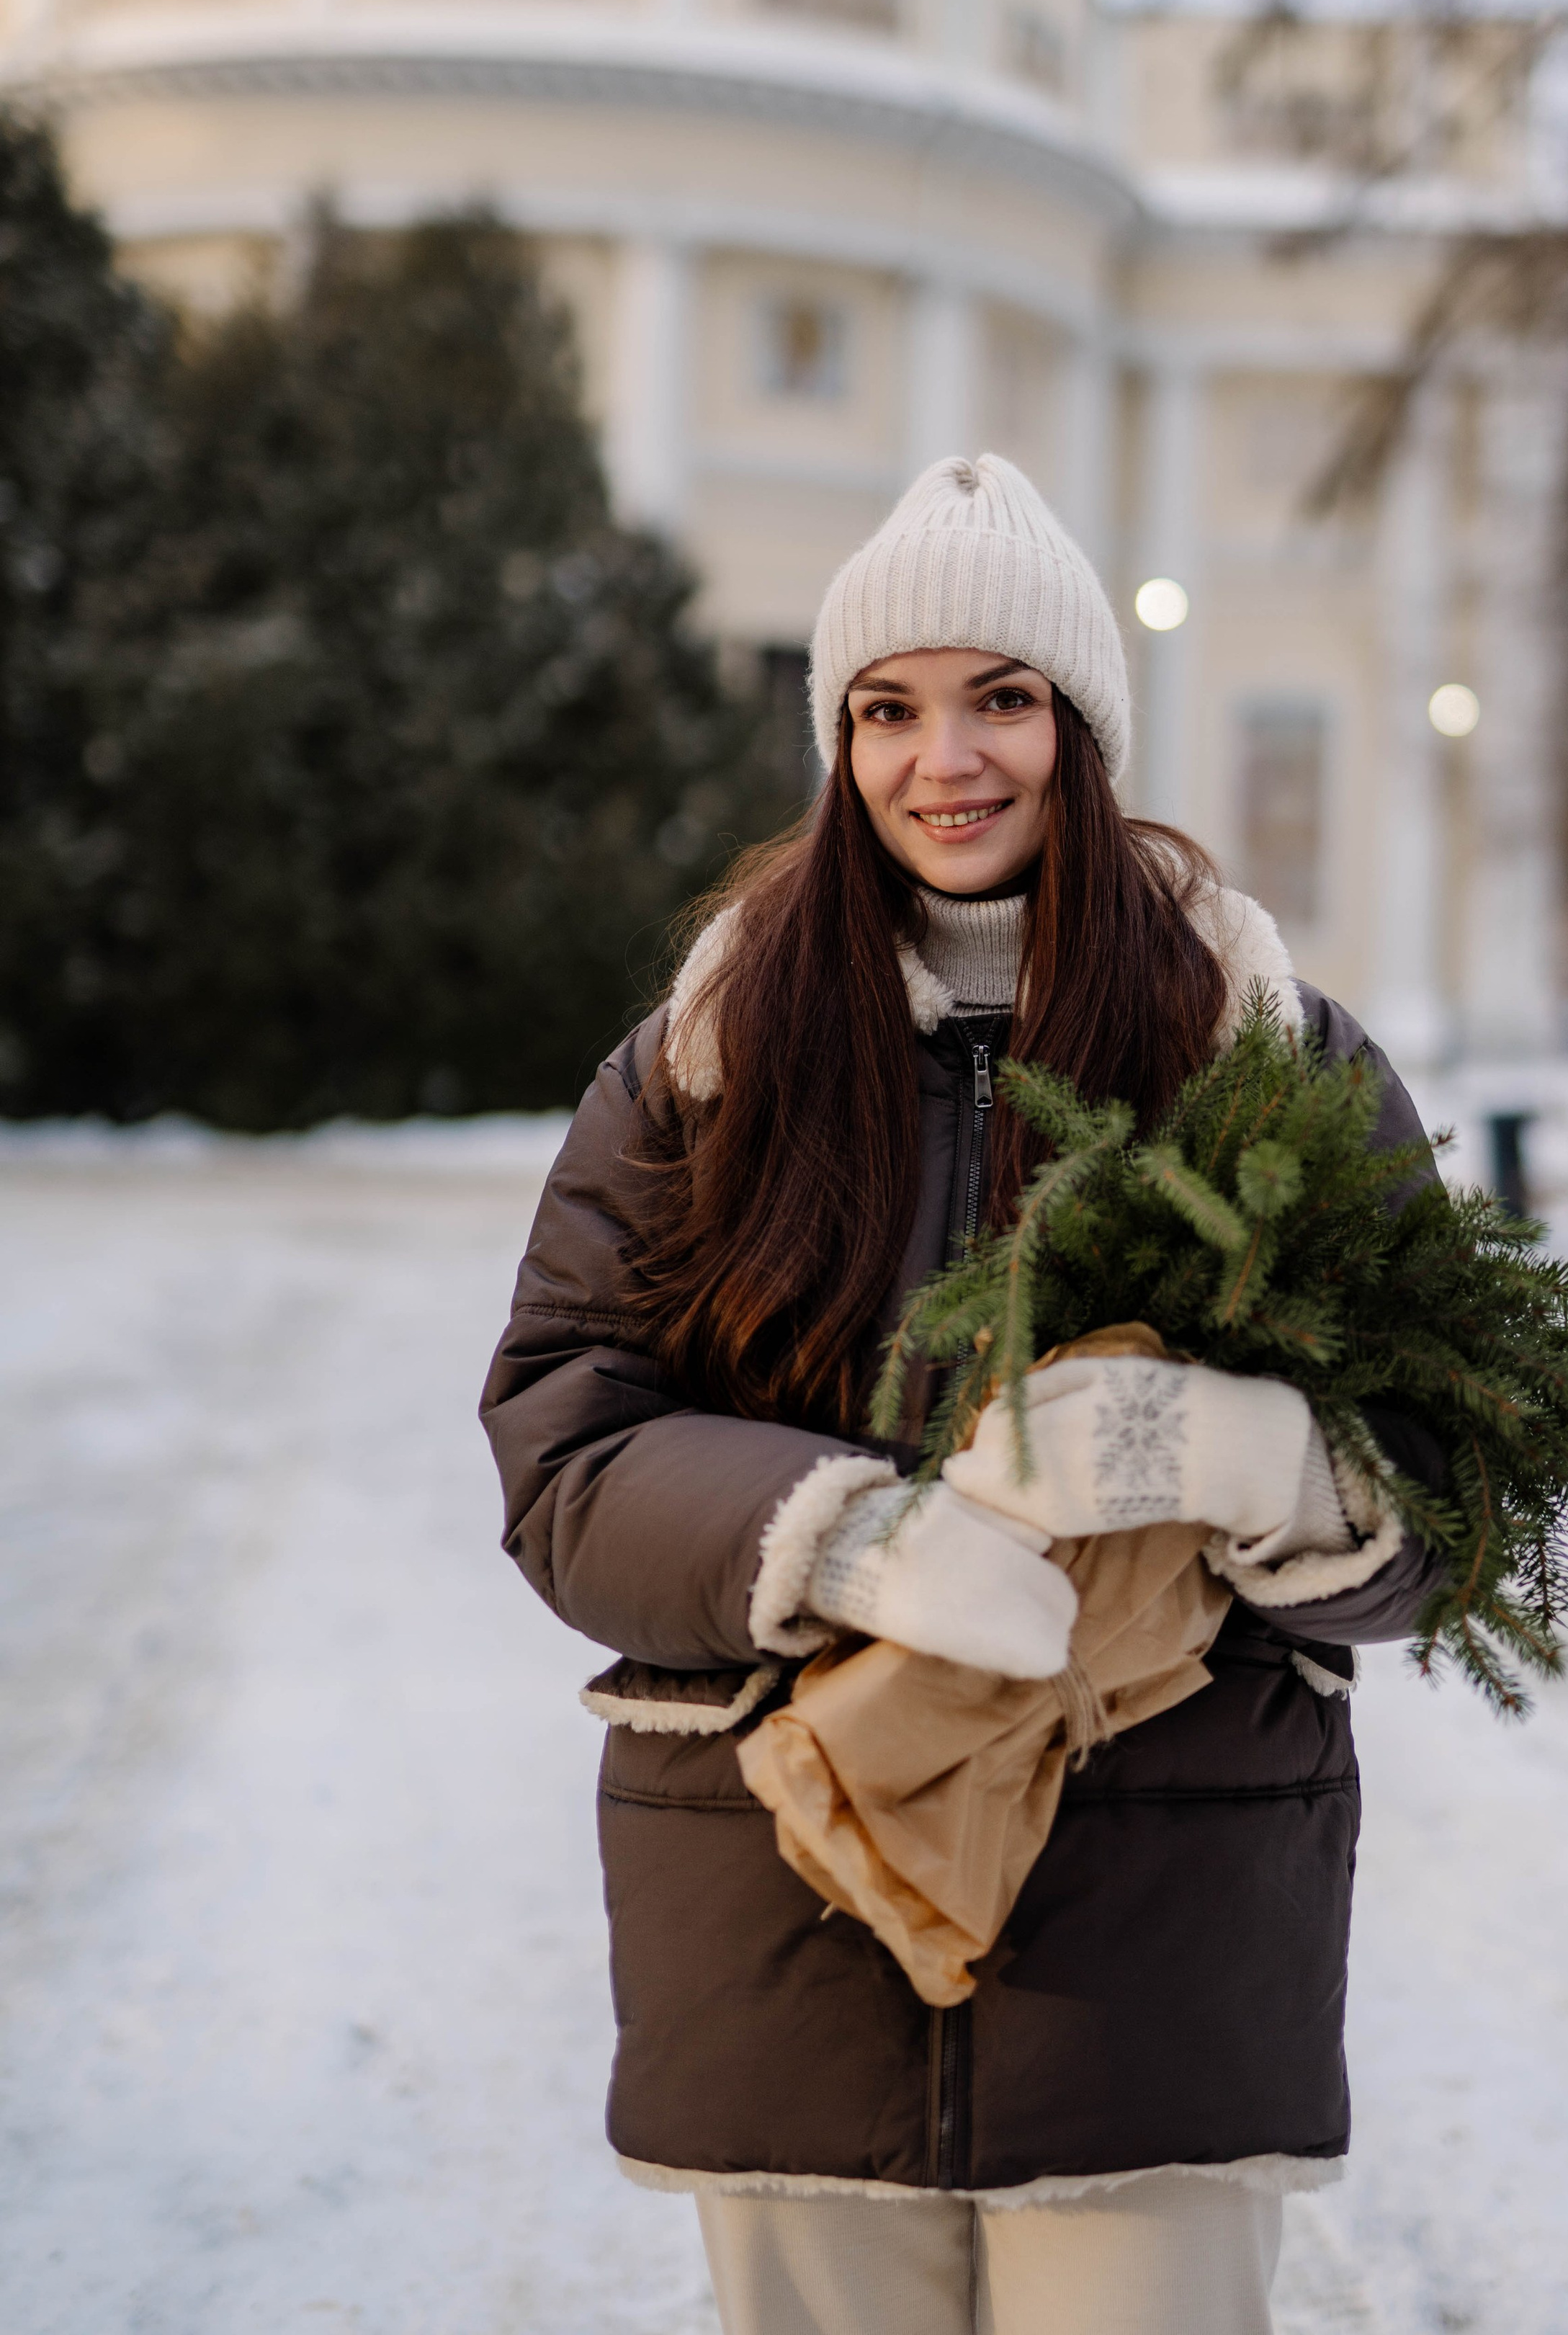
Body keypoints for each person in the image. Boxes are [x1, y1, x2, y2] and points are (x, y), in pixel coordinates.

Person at [480, 454, 1446, 2335]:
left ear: (1079, 729)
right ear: (839, 745)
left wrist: (1277, 1465)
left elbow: (1458, 1478)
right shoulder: (705, 1062)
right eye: (888, 709)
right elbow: (565, 1442)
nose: (948, 759)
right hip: (783, 1925)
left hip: (1154, 1956)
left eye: (1001, 697)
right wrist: (843, 1537)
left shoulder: (1272, 1063)